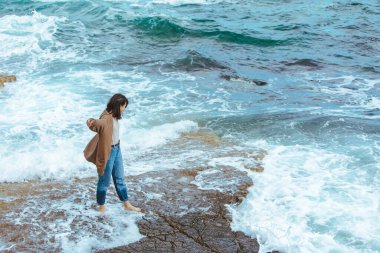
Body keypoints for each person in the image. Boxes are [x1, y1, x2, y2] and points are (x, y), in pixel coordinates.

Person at [83, 93, 141, 213]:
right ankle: (101, 206)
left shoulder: (114, 115)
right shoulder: (106, 118)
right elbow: (98, 123)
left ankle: (126, 204)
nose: (125, 109)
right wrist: (91, 122)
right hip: (107, 152)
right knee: (104, 181)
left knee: (120, 178)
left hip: (117, 149)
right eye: (124, 106)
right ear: (119, 105)